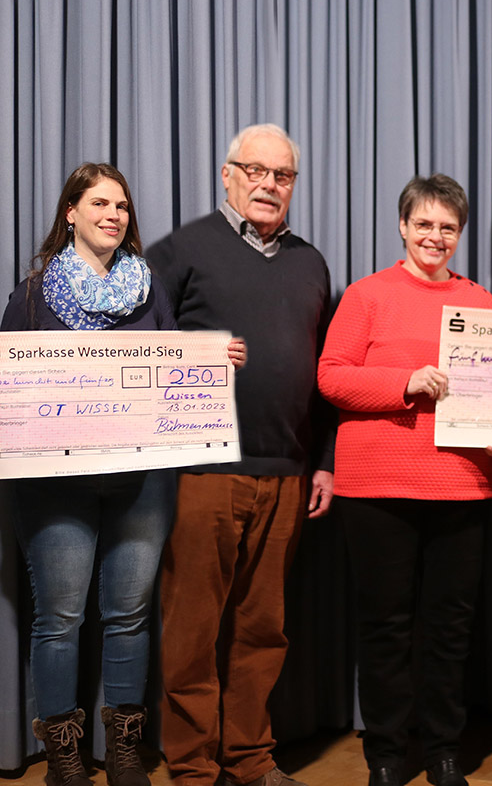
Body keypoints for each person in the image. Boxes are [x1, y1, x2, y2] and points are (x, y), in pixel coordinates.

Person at [3, 163, 243, 786]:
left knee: (130, 614)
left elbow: (170, 371)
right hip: (53, 488)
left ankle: (127, 751)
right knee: (59, 618)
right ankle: (63, 758)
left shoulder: (151, 290)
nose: (114, 214)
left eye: (123, 206)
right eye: (100, 203)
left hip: (140, 485)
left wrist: (213, 363)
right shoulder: (30, 296)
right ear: (71, 214)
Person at [149, 123, 334, 786]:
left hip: (286, 473)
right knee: (193, 628)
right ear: (227, 174)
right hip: (202, 471)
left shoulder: (311, 261)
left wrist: (324, 460)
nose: (268, 184)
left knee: (264, 628)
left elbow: (324, 371)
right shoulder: (181, 248)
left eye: (282, 175)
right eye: (254, 171)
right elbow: (137, 352)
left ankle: (249, 755)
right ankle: (194, 765)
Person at [317, 174, 492, 786]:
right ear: (402, 227)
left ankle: (445, 749)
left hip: (462, 482)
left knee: (450, 626)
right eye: (424, 224)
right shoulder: (367, 295)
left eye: (448, 227)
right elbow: (332, 377)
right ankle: (388, 755)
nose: (435, 236)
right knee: (386, 626)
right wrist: (405, 383)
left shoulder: (480, 302)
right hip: (376, 487)